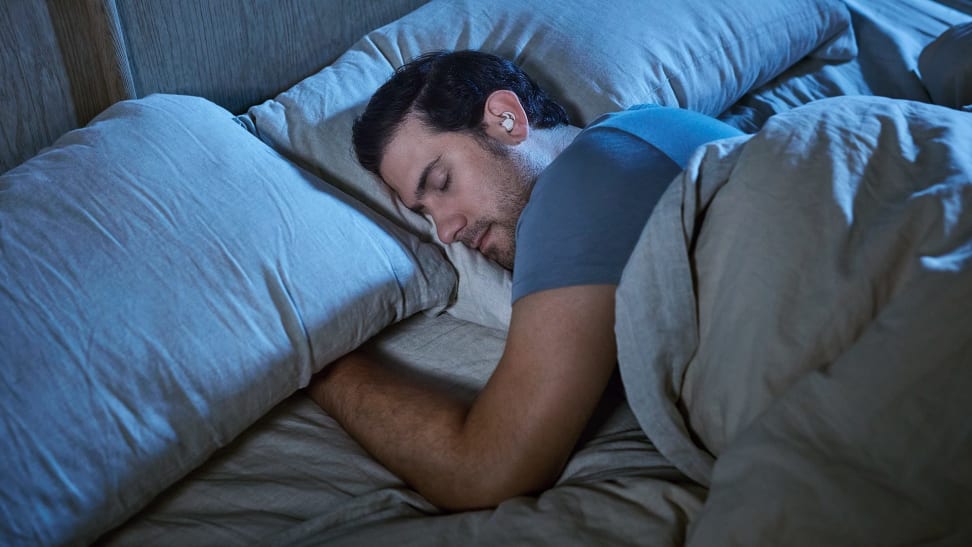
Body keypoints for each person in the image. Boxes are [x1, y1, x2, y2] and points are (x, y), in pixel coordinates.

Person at [307, 50, 742, 511]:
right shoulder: (651, 126)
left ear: (506, 119)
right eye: (423, 213)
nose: (446, 230)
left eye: (442, 181)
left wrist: (320, 363)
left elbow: (481, 471)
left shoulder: (575, 187)